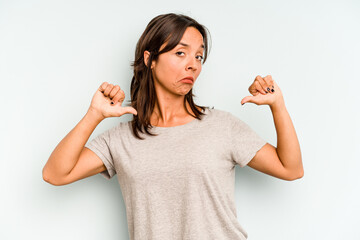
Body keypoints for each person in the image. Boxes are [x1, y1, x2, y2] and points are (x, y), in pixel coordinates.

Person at [42, 13, 303, 240]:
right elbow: (55, 174)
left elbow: (290, 168)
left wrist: (277, 105)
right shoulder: (121, 139)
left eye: (199, 56)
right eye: (181, 52)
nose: (193, 64)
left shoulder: (221, 126)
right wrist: (94, 115)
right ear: (150, 59)